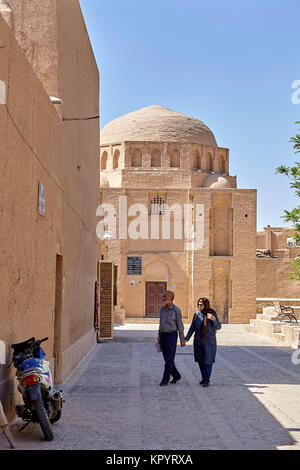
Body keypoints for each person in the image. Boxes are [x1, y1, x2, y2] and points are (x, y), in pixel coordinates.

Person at [184, 297, 221, 387]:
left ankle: (206, 380)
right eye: (198, 304)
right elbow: (192, 327)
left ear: (206, 305)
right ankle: (204, 378)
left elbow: (219, 326)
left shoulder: (212, 314)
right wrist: (186, 339)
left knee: (208, 361)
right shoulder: (196, 314)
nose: (199, 306)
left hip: (209, 341)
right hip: (198, 340)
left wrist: (213, 319)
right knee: (200, 360)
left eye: (201, 304)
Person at [157, 290, 186, 386]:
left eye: (165, 296)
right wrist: (159, 335)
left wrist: (182, 339)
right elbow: (161, 323)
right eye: (163, 296)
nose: (163, 298)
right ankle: (176, 375)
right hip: (163, 336)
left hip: (171, 336)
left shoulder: (176, 310)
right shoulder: (162, 309)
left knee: (169, 359)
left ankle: (165, 379)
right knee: (167, 359)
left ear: (170, 298)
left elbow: (180, 326)